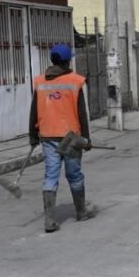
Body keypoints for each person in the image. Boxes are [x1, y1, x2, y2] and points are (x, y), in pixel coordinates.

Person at [29, 43, 94, 233]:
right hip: (70, 137)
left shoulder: (40, 81)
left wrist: (32, 135)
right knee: (74, 175)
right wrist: (86, 139)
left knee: (51, 176)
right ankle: (81, 212)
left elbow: (34, 111)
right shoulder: (75, 81)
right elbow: (82, 114)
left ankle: (49, 221)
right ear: (67, 61)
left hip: (48, 135)